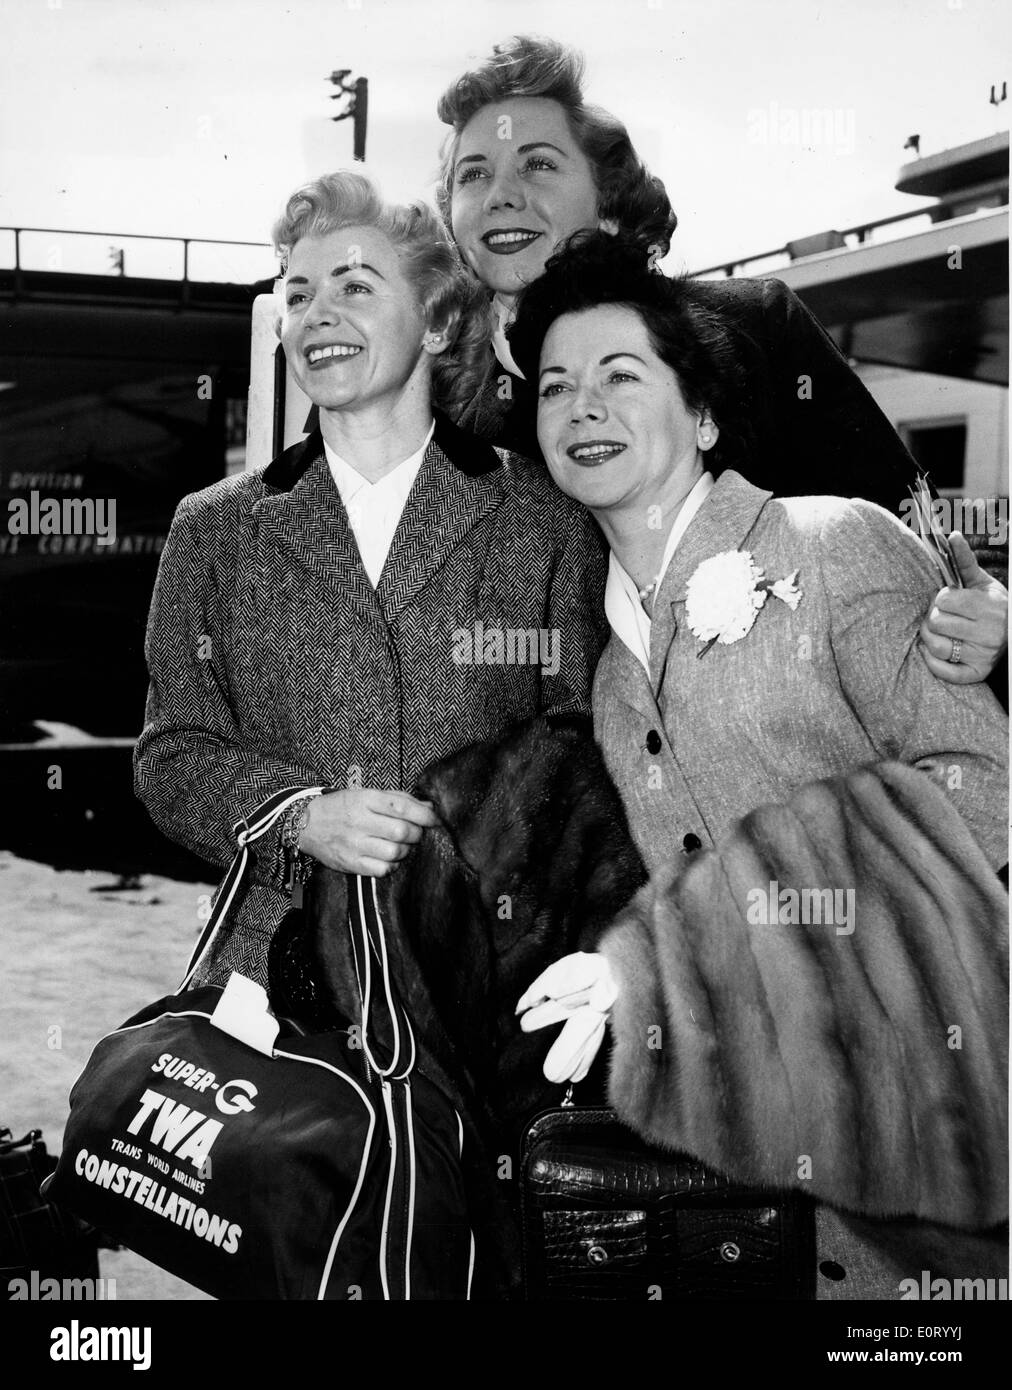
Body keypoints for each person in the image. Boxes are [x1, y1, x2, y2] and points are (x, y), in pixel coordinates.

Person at [509, 231, 1008, 1297]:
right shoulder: (602, 671)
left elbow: (985, 793)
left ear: (701, 414)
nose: (582, 406)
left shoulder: (831, 546)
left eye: (618, 375)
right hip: (767, 1198)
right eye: (555, 387)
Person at [133, 170, 607, 992]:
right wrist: (299, 816)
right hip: (271, 982)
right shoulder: (213, 529)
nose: (318, 314)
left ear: (433, 320)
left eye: (355, 285)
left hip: (481, 987)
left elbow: (580, 751)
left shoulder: (544, 518)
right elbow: (170, 755)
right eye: (300, 293)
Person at [436, 33, 1008, 689]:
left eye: (538, 164)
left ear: (607, 198)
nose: (501, 195)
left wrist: (982, 623)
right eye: (473, 174)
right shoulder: (436, 410)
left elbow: (925, 550)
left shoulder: (757, 329)